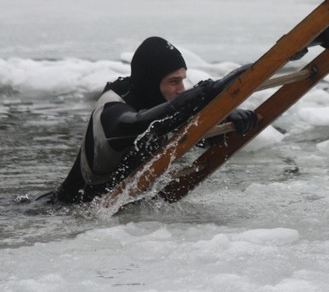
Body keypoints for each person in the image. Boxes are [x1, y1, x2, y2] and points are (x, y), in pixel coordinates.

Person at [43, 36, 258, 205]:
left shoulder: (161, 100)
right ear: (150, 82)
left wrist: (227, 122)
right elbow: (141, 123)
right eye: (173, 82)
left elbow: (197, 135)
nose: (180, 89)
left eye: (182, 80)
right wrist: (205, 93)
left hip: (118, 209)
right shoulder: (111, 110)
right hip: (67, 211)